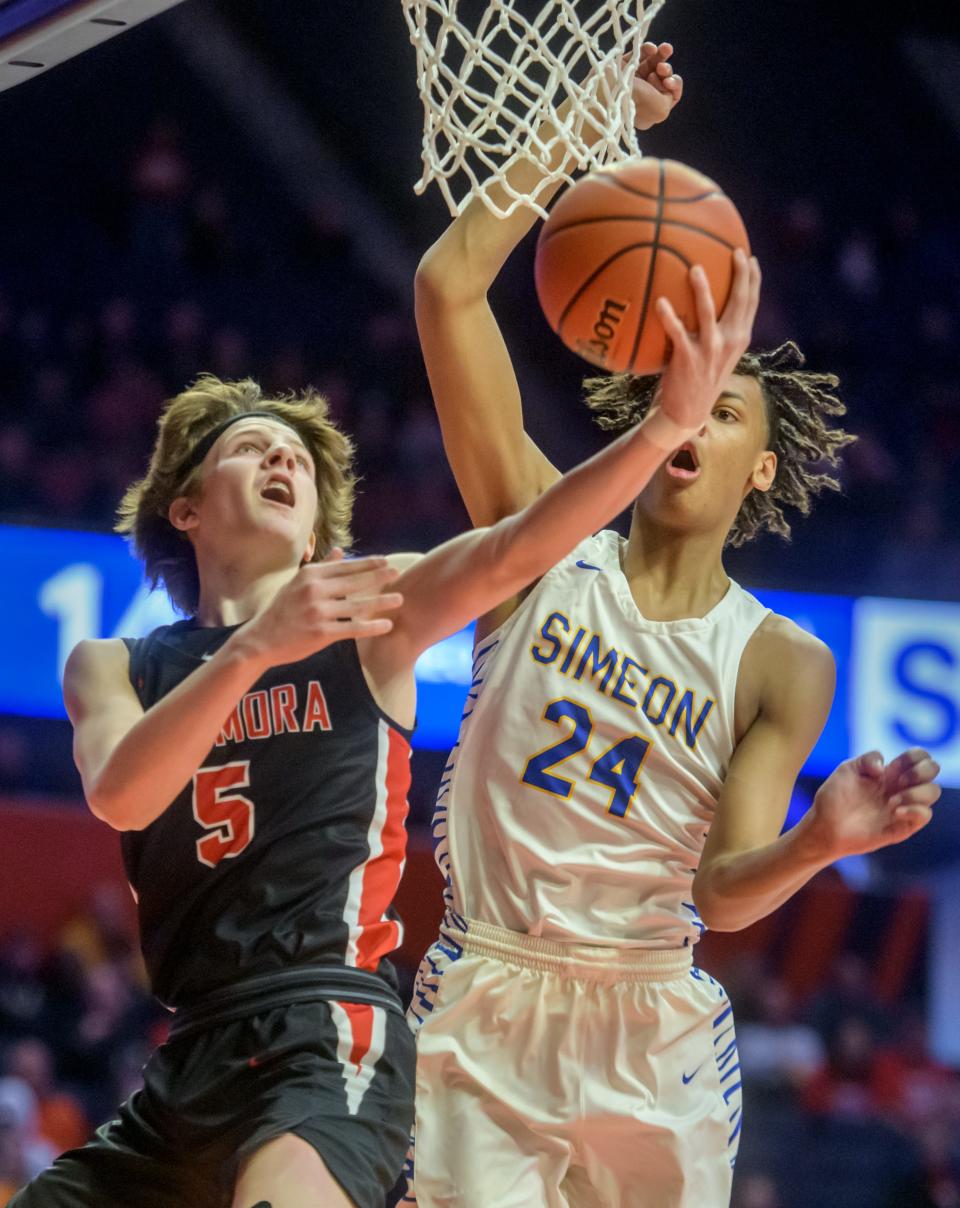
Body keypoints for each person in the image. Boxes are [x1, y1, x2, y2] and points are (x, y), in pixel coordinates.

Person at [10, 209, 758, 1208]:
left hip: (329, 1032)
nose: (285, 462)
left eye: (300, 462)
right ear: (185, 508)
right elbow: (119, 791)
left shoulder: (367, 613)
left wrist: (664, 424)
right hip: (188, 1056)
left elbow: (522, 545)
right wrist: (255, 650)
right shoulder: (113, 663)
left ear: (320, 525)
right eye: (253, 448)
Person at [405, 41, 942, 1208]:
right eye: (676, 389)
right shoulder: (536, 543)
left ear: (761, 466)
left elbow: (727, 886)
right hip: (485, 983)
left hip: (651, 1016)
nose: (693, 409)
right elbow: (448, 289)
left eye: (724, 401)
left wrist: (818, 842)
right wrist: (584, 130)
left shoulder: (781, 658)